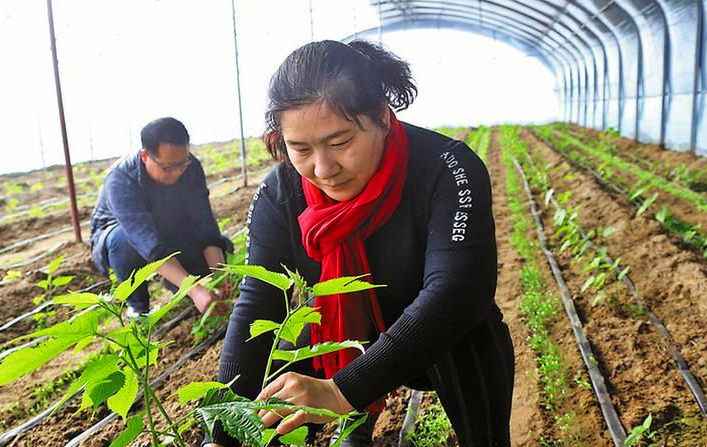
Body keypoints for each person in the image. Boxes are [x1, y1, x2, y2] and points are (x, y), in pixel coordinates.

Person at [206, 40, 514, 447]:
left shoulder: (446, 167)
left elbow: (458, 291)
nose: (323, 168)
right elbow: (256, 303)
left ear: (382, 118)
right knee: (278, 375)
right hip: (343, 336)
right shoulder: (281, 192)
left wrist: (340, 391)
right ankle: (355, 431)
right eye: (300, 149)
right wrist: (222, 430)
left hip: (439, 334)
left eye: (340, 143)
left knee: (469, 341)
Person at [89, 117, 232, 317]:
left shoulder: (189, 167)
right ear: (145, 155)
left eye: (182, 164)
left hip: (168, 223)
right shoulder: (121, 180)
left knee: (222, 245)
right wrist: (195, 290)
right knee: (124, 243)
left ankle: (177, 281)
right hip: (122, 234)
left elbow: (204, 224)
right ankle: (138, 308)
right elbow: (148, 242)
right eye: (168, 168)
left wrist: (220, 273)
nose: (177, 173)